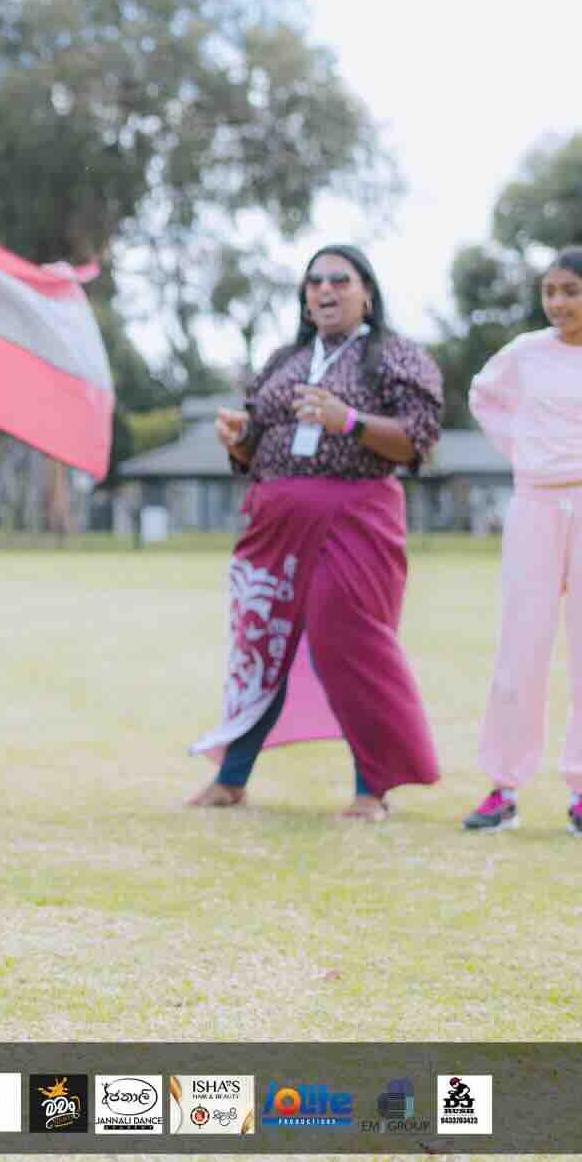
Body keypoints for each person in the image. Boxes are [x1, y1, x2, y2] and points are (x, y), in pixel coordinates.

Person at [189, 244, 443, 820]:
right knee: (260, 641)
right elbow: (258, 439)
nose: (324, 291)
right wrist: (240, 438)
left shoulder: (396, 357)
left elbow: (418, 438)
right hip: (275, 519)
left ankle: (370, 790)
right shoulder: (285, 359)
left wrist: (347, 421)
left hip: (356, 517)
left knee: (346, 639)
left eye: (339, 280)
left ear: (367, 293)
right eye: (314, 283)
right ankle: (231, 780)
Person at [462, 247, 582, 835]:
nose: (558, 302)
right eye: (550, 291)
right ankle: (504, 786)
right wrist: (523, 449)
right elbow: (483, 396)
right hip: (534, 504)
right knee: (521, 647)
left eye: (571, 290)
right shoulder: (525, 354)